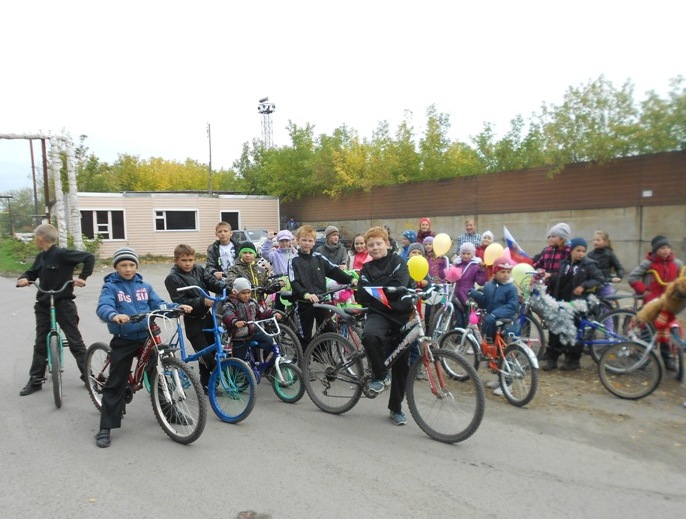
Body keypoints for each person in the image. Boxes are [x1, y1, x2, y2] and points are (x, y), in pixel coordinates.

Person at [94, 248, 192, 448]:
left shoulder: (144, 286)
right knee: (116, 381)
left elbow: (159, 303)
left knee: (160, 371)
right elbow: (104, 307)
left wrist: (176, 307)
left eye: (131, 265)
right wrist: (114, 316)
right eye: (123, 265)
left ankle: (168, 410)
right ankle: (106, 427)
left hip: (147, 335)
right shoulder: (111, 287)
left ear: (137, 266)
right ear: (116, 267)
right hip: (124, 337)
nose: (128, 269)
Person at [16, 223, 96, 396]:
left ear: (39, 238)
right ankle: (36, 379)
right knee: (40, 342)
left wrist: (82, 278)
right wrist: (23, 278)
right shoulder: (41, 257)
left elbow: (89, 257)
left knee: (75, 341)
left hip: (63, 303)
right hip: (44, 304)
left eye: (35, 238)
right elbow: (31, 273)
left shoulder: (62, 254)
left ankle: (88, 376)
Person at [357, 226, 415, 426]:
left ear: (388, 244)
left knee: (402, 366)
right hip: (378, 315)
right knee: (369, 336)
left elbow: (401, 283)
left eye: (378, 243)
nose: (375, 248)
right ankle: (380, 375)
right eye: (370, 245)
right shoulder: (366, 268)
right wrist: (387, 288)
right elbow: (361, 295)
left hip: (401, 316)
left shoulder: (399, 261)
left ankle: (396, 409)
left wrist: (377, 290)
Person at [164, 244, 227, 391]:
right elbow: (180, 301)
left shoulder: (198, 269)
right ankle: (211, 380)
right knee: (206, 355)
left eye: (191, 260)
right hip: (192, 320)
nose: (188, 263)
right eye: (184, 260)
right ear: (176, 260)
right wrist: (202, 301)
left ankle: (207, 385)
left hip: (207, 316)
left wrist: (227, 288)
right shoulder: (172, 278)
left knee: (214, 350)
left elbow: (211, 282)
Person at [543, 237, 604, 371]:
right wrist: (550, 276)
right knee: (555, 330)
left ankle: (573, 361)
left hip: (577, 303)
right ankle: (552, 359)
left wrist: (584, 286)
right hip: (561, 301)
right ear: (571, 250)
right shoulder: (564, 263)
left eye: (583, 251)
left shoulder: (589, 265)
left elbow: (599, 279)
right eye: (578, 250)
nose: (581, 253)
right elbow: (561, 278)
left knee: (575, 332)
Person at [288, 225, 355, 348]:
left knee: (328, 329)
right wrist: (306, 294)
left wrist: (350, 279)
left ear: (314, 242)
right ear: (298, 240)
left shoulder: (319, 257)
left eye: (310, 241)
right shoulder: (293, 260)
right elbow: (294, 282)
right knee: (305, 335)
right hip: (304, 302)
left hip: (322, 300)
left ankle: (320, 354)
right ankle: (302, 361)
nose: (307, 243)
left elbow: (334, 271)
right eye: (304, 240)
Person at [628, 235, 684, 369]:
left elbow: (682, 279)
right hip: (652, 301)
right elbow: (632, 277)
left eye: (668, 248)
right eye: (662, 248)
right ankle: (642, 355)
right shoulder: (648, 263)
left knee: (667, 328)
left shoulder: (677, 264)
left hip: (670, 301)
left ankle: (668, 358)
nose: (665, 251)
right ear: (655, 250)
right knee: (649, 329)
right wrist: (645, 291)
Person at [468, 256, 520, 395]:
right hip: (492, 325)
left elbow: (513, 306)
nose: (505, 275)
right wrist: (476, 295)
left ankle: (508, 384)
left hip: (506, 325)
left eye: (508, 272)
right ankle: (500, 379)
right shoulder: (489, 286)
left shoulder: (511, 288)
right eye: (502, 272)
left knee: (505, 353)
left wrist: (495, 314)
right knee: (495, 353)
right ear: (495, 272)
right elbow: (485, 303)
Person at [221, 277, 281, 362]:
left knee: (270, 343)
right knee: (238, 363)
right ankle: (238, 373)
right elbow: (227, 315)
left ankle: (269, 367)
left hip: (253, 332)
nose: (247, 295)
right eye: (243, 293)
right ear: (237, 292)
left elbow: (262, 312)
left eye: (249, 292)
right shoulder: (231, 304)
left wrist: (272, 313)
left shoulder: (252, 302)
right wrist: (235, 322)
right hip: (239, 337)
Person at [453, 242, 488, 328]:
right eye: (463, 253)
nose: (466, 256)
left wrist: (482, 271)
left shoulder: (475, 266)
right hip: (456, 294)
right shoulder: (458, 264)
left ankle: (467, 338)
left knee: (468, 320)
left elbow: (480, 282)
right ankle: (458, 337)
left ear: (472, 254)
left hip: (468, 295)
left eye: (468, 254)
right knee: (459, 319)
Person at [587, 230, 624, 299]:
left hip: (605, 283)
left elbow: (619, 268)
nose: (595, 242)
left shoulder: (609, 254)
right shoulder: (590, 255)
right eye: (594, 240)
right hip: (593, 285)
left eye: (598, 240)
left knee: (606, 304)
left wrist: (619, 277)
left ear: (605, 242)